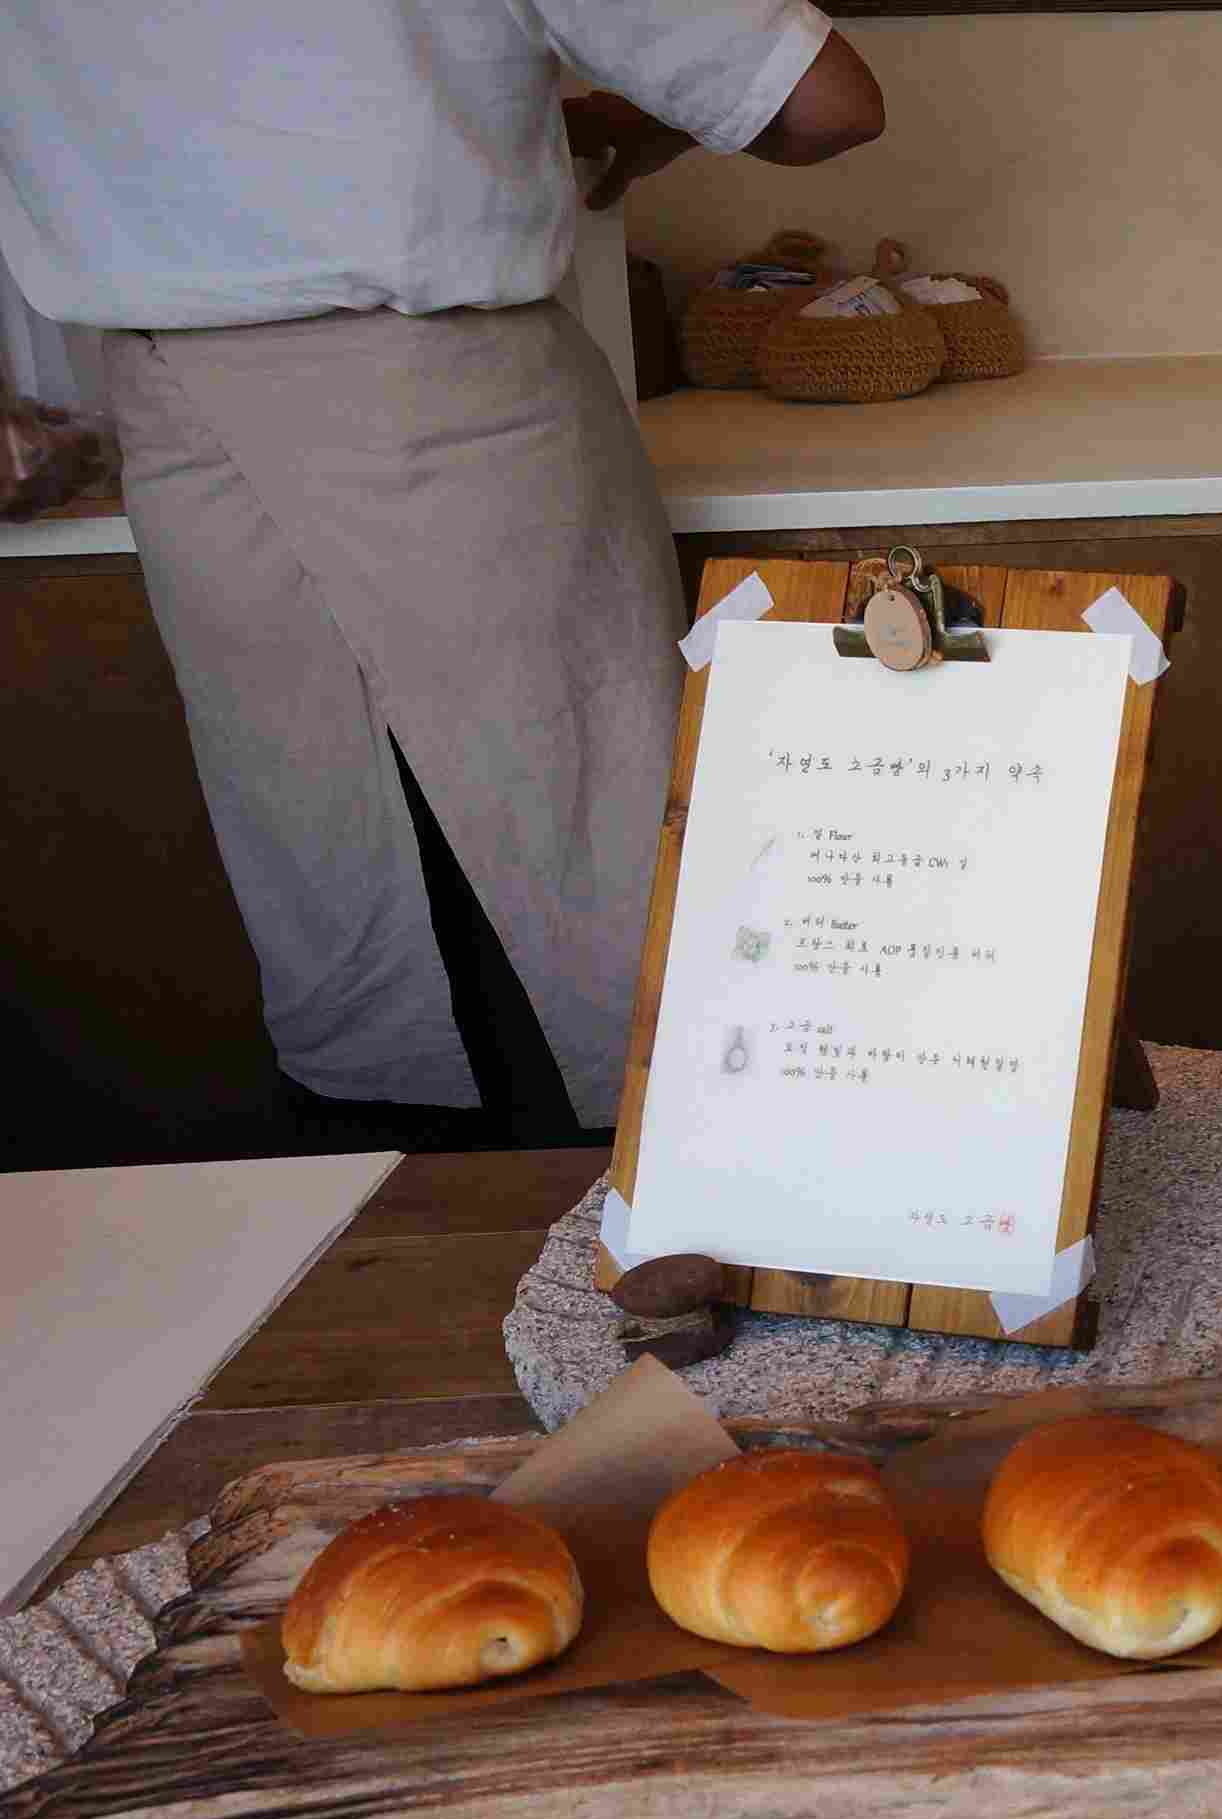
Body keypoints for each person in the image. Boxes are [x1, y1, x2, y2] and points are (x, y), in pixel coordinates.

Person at [0, 4, 885, 1146]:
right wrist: (634, 116)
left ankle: (425, 1285)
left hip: (187, 438)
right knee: (597, 918)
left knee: (352, 930)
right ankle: (648, 1272)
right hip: (461, 417)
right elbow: (827, 104)